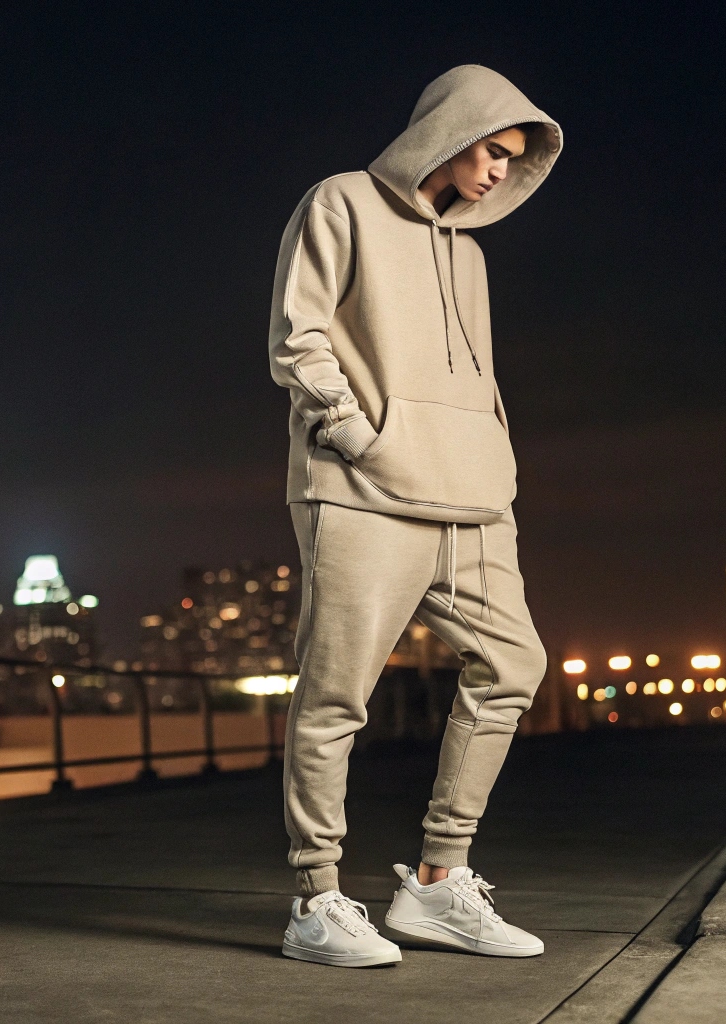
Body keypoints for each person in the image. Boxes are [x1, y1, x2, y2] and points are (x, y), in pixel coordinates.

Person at [267, 64, 562, 968]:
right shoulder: (342, 202)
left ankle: (437, 884)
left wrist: (498, 471)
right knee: (335, 697)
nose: (497, 176)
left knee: (515, 664)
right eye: (493, 152)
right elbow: (298, 333)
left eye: (514, 164)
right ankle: (318, 897)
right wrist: (360, 437)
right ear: (453, 128)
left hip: (476, 502)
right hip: (363, 494)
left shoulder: (470, 254)